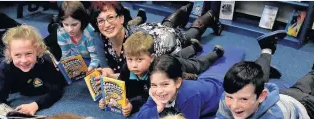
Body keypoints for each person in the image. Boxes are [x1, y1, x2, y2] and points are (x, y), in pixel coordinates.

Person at [134, 30, 288, 119]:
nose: (159, 90)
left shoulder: (189, 97)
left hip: (221, 88)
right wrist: (157, 108)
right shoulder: (157, 92)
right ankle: (264, 64)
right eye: (154, 85)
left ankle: (267, 50)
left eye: (165, 84)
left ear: (178, 82)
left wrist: (156, 115)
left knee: (255, 80)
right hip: (205, 83)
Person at [101, 31, 224, 117]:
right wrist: (108, 98)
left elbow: (147, 97)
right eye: (130, 59)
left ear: (151, 58)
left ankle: (215, 53)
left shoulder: (154, 77)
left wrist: (132, 105)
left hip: (172, 68)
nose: (134, 65)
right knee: (177, 55)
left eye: (139, 60)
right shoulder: (126, 69)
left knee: (195, 65)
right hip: (165, 59)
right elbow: (121, 86)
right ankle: (194, 48)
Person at [89, 2, 219, 75]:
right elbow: (105, 63)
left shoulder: (137, 43)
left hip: (164, 40)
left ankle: (209, 16)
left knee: (186, 35)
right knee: (166, 25)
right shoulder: (100, 37)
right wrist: (106, 70)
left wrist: (119, 77)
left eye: (111, 18)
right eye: (101, 21)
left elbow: (144, 72)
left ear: (121, 18)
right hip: (151, 29)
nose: (106, 25)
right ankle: (183, 11)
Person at [0, 25, 66, 116]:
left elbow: (57, 90)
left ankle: (55, 26)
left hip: (45, 79)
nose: (24, 60)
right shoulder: (4, 69)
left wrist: (36, 105)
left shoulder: (46, 62)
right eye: (17, 55)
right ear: (9, 54)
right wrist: (7, 114)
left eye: (28, 54)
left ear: (38, 51)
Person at [55, 1, 102, 71]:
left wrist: (91, 68)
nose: (70, 29)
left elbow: (95, 57)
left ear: (82, 21)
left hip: (91, 60)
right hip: (76, 59)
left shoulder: (89, 33)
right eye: (66, 24)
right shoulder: (61, 32)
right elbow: (66, 55)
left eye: (74, 25)